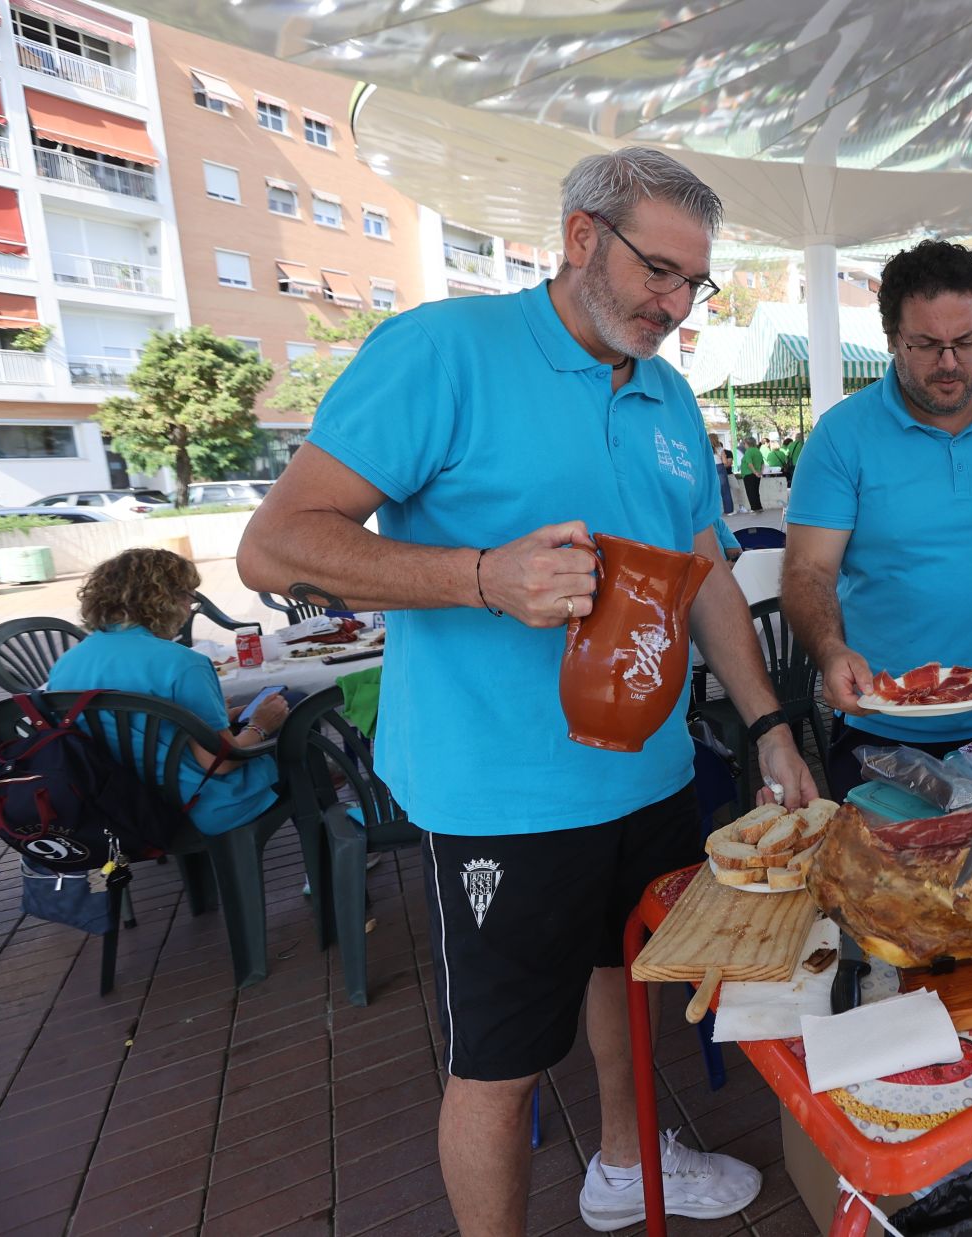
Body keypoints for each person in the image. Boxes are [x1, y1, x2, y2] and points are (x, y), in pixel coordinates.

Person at [237, 147, 817, 1236]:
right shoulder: (445, 350)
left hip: (646, 770)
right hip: (501, 793)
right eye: (660, 271)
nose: (676, 304)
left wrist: (771, 726)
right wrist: (480, 577)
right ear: (581, 237)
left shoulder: (667, 392)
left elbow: (706, 577)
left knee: (625, 971)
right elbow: (273, 548)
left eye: (697, 283)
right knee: (498, 1064)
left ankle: (620, 1163)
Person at [782, 239, 972, 798]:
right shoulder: (841, 435)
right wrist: (830, 650)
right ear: (892, 339)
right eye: (926, 344)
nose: (949, 363)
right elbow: (807, 571)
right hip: (885, 729)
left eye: (966, 342)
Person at [48, 548, 286, 831]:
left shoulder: (66, 665)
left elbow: (135, 729)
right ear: (165, 600)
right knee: (301, 743)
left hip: (113, 803)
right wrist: (260, 726)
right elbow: (220, 763)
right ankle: (327, 859)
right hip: (192, 805)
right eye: (189, 596)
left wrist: (215, 718)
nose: (189, 607)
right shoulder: (183, 663)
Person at [709, 432, 734, 515]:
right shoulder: (720, 449)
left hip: (710, 469)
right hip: (720, 468)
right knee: (725, 490)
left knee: (712, 491)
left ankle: (713, 512)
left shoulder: (705, 449)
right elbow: (725, 462)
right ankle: (729, 510)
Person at [738, 434, 765, 511]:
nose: (744, 445)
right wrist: (760, 472)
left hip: (749, 474)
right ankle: (759, 507)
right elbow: (762, 463)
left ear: (748, 444)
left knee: (750, 492)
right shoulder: (757, 451)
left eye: (744, 444)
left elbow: (750, 464)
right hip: (757, 474)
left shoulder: (748, 451)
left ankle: (754, 508)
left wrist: (755, 472)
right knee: (756, 492)